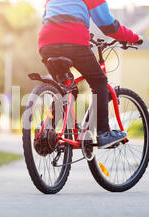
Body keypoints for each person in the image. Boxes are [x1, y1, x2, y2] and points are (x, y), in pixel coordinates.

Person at [38, 0, 143, 149]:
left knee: (67, 90)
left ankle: (46, 133)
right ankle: (103, 133)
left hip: (46, 43)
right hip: (74, 42)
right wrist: (134, 38)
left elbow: (46, 18)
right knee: (99, 82)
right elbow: (109, 26)